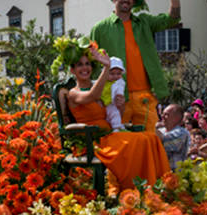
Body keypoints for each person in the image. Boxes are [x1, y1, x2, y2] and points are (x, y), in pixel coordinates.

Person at [90, 0, 185, 131]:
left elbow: (173, 19)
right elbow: (92, 63)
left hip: (145, 96)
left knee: (150, 140)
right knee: (121, 142)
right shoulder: (99, 29)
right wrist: (96, 97)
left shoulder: (145, 22)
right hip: (117, 98)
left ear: (134, 2)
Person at [66, 47, 170, 191]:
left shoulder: (99, 86)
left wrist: (120, 106)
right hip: (95, 141)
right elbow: (92, 96)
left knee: (151, 138)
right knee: (139, 141)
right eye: (80, 65)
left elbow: (112, 114)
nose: (85, 68)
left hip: (110, 135)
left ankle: (158, 187)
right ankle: (133, 190)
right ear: (72, 70)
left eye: (87, 64)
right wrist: (107, 68)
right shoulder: (73, 93)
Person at [156, 104, 190, 170]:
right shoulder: (160, 131)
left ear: (176, 118)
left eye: (166, 114)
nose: (162, 116)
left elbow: (165, 141)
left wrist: (150, 126)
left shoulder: (182, 133)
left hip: (175, 175)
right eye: (162, 114)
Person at [102, 57, 126, 131]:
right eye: (112, 74)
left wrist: (119, 95)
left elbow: (120, 91)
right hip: (102, 104)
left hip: (111, 103)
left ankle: (117, 127)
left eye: (118, 74)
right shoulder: (102, 81)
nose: (115, 76)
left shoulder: (119, 82)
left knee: (115, 113)